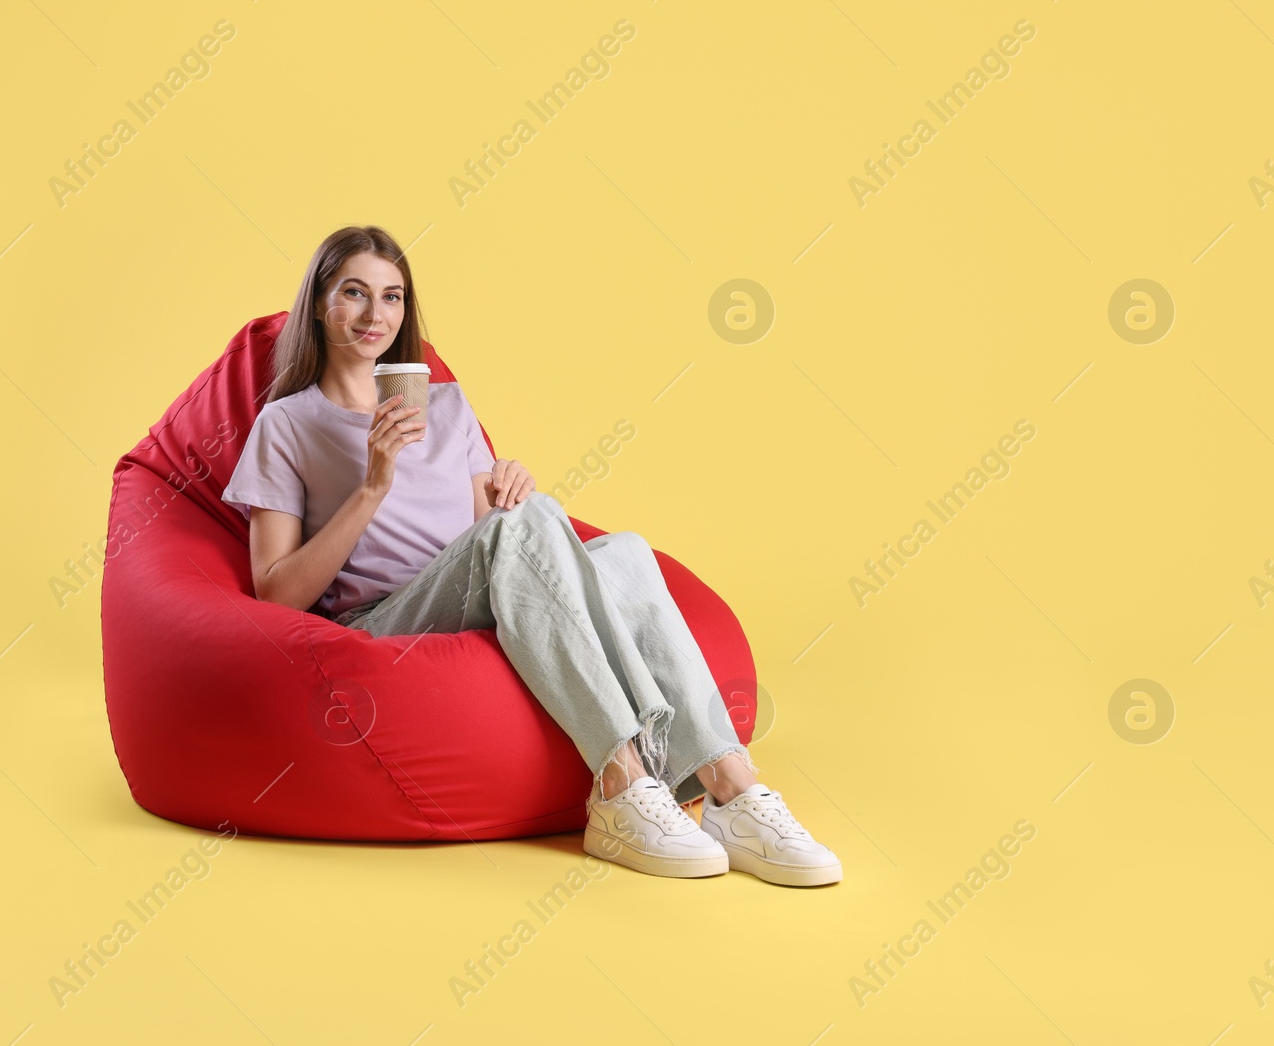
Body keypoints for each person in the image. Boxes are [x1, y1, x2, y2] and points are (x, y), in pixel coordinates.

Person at [221, 225, 841, 887]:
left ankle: (728, 785)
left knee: (625, 553)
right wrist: (373, 484)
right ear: (319, 304)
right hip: (381, 620)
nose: (377, 315)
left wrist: (509, 492)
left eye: (393, 297)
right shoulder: (285, 426)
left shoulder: (448, 406)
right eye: (354, 293)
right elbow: (275, 594)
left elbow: (498, 542)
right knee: (535, 527)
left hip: (470, 595)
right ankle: (620, 781)